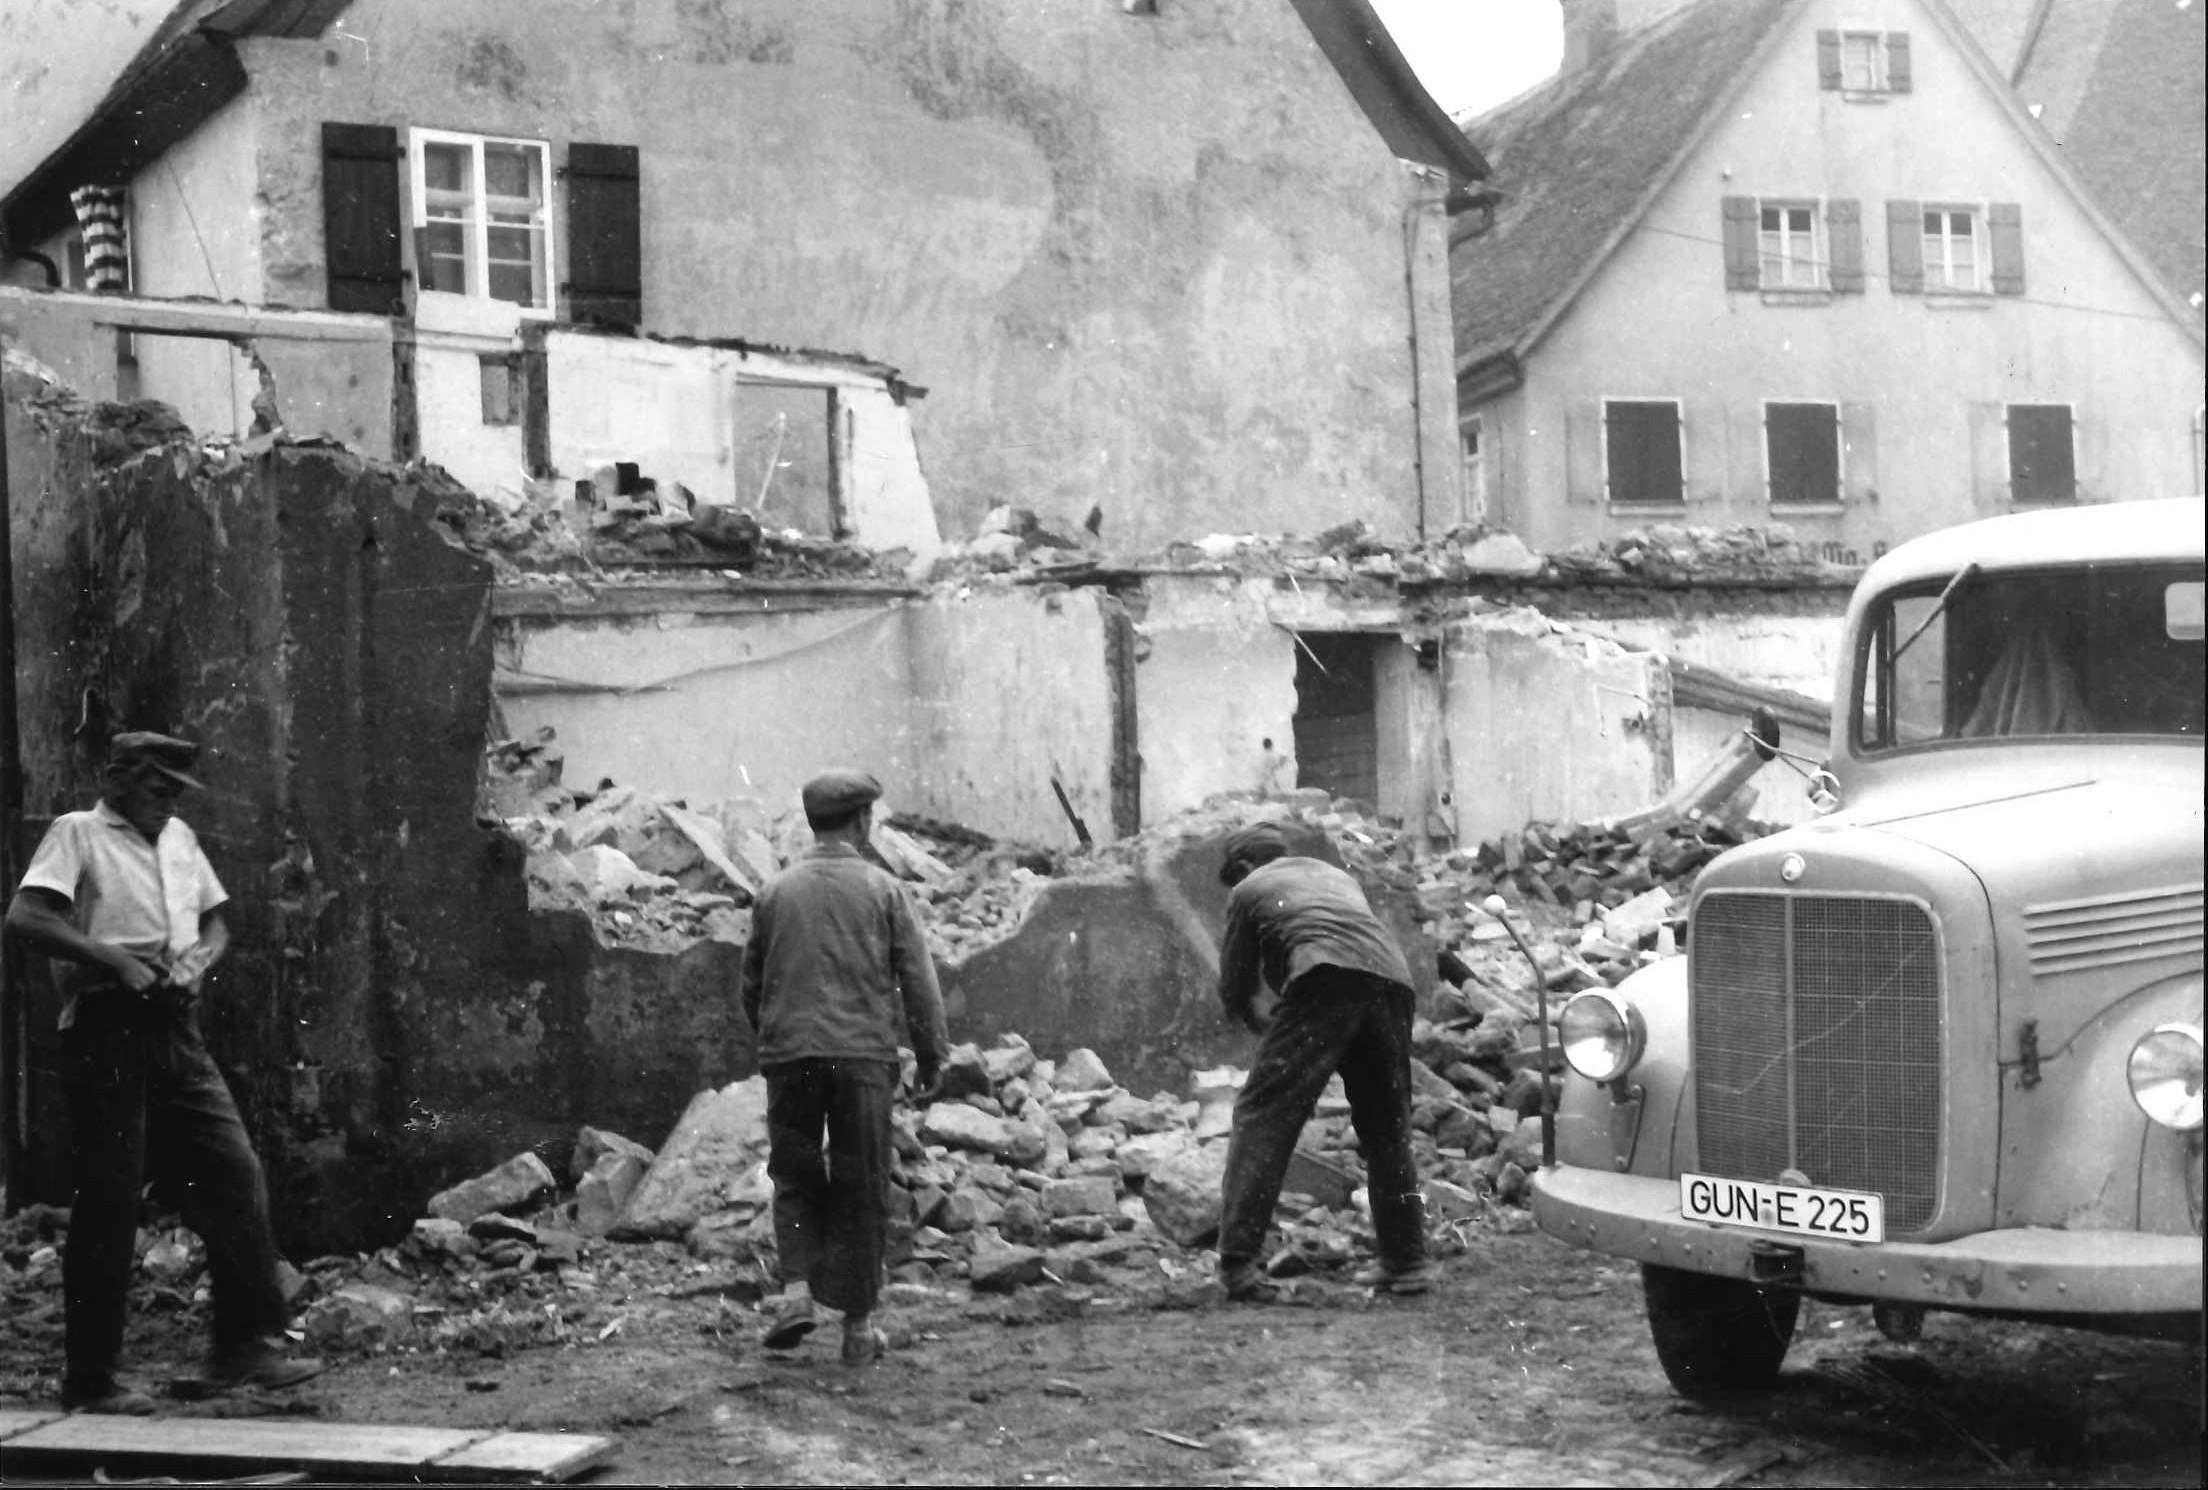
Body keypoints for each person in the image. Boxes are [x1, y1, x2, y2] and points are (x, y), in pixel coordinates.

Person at [5, 732, 322, 1413]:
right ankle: (91, 1380)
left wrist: (199, 962)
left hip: (176, 1027)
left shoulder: (179, 838)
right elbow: (25, 917)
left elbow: (216, 925)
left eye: (176, 791)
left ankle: (242, 1346)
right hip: (105, 1028)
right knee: (110, 1202)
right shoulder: (78, 833)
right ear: (117, 777)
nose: (167, 802)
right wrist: (110, 959)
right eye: (156, 788)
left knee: (235, 1171)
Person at [741, 769, 949, 1366]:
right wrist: (933, 1054)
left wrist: (778, 1044)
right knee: (862, 1182)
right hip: (863, 1057)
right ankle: (857, 1330)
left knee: (796, 1172)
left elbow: (750, 986)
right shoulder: (884, 889)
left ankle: (798, 1292)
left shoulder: (774, 892)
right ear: (862, 822)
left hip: (791, 1057)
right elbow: (918, 980)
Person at [1213, 820, 1430, 1301]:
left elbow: (1236, 985)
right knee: (1386, 1128)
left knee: (1262, 1113)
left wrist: (1261, 1029)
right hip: (1393, 982)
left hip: (1325, 976)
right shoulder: (1335, 876)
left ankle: (1238, 1265)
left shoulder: (1250, 888)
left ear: (1244, 866)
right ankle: (1407, 1261)